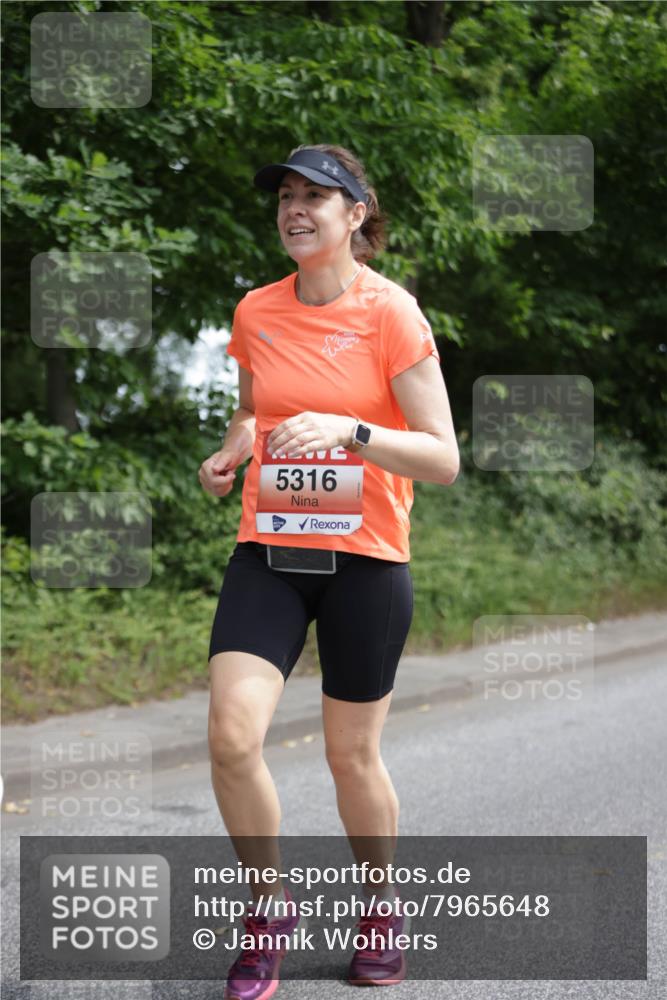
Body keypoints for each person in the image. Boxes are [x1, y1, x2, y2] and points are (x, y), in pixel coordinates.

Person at [199, 143, 459, 999]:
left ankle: (381, 906)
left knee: (352, 758)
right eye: (285, 195)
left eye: (318, 195)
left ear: (357, 215)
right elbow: (253, 406)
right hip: (269, 553)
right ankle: (266, 912)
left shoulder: (392, 314)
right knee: (232, 737)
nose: (295, 208)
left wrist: (349, 431)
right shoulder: (256, 310)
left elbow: (441, 458)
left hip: (366, 563)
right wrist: (235, 446)